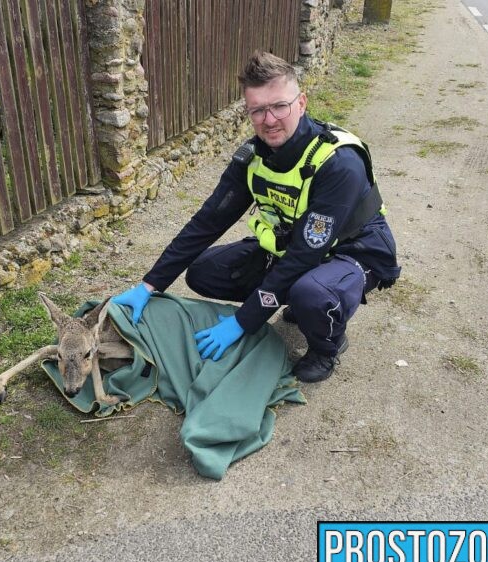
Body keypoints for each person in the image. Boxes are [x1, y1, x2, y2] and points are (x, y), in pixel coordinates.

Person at [113, 50, 401, 383]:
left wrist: (243, 322)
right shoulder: (253, 159)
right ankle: (294, 295)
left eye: (280, 106)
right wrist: (149, 285)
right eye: (258, 110)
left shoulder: (339, 163)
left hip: (353, 252)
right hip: (295, 248)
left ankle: (327, 346)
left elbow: (307, 253)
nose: (269, 119)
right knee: (204, 272)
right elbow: (207, 223)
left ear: (302, 103)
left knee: (313, 295)